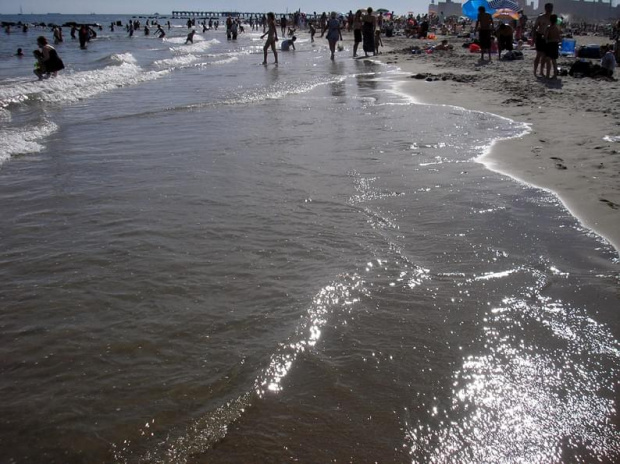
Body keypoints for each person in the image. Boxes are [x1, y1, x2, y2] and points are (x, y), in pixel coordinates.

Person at [532, 3, 553, 76]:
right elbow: (535, 28)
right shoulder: (541, 17)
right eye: (548, 8)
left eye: (551, 8)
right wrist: (533, 38)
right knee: (538, 55)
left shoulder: (552, 18)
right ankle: (535, 71)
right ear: (545, 9)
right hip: (540, 36)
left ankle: (541, 71)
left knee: (545, 56)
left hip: (548, 38)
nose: (550, 10)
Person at [544, 14, 561, 79]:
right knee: (554, 60)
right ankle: (555, 75)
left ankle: (548, 74)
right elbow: (559, 38)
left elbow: (545, 37)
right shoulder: (557, 28)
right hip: (555, 44)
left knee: (548, 60)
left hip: (550, 44)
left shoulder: (549, 27)